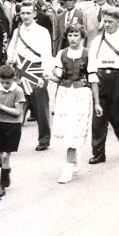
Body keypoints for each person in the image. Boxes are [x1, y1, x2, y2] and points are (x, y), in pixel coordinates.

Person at [47, 25, 99, 183]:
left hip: (81, 94)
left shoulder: (88, 54)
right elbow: (58, 78)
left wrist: (97, 103)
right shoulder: (62, 54)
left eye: (76, 35)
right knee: (66, 128)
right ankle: (73, 156)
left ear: (82, 37)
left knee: (75, 129)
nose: (73, 38)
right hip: (64, 93)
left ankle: (68, 167)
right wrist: (47, 77)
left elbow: (93, 79)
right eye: (70, 35)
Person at [86, 7, 119, 164]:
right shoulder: (97, 40)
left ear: (118, 22)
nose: (107, 25)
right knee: (98, 118)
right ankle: (99, 153)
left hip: (118, 78)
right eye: (104, 21)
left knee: (117, 116)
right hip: (101, 78)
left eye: (110, 22)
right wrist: (93, 76)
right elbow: (92, 61)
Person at [6, 3, 53, 151]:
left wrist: (45, 74)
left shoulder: (42, 31)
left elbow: (47, 53)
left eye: (28, 13)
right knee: (16, 105)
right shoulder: (17, 30)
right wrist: (11, 59)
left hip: (36, 70)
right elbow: (12, 48)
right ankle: (11, 140)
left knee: (41, 109)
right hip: (20, 71)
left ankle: (44, 139)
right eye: (22, 13)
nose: (25, 16)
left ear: (34, 14)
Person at [0, 65, 26, 197]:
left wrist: (2, 107)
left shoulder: (18, 91)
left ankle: (1, 185)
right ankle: (6, 171)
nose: (5, 85)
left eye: (8, 82)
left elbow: (17, 112)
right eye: (2, 82)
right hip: (0, 124)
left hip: (13, 126)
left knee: (5, 156)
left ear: (14, 79)